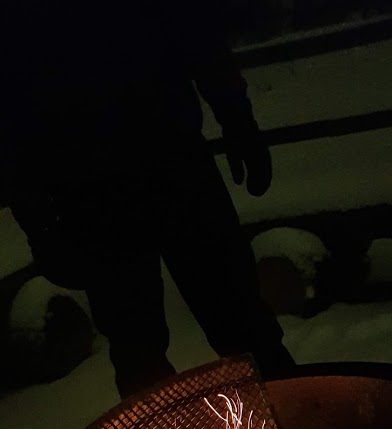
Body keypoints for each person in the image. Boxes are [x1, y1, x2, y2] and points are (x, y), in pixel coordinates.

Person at [2, 0, 295, 398]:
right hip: (94, 190)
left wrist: (235, 113)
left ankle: (294, 413)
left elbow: (192, 26)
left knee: (238, 321)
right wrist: (38, 222)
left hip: (165, 167)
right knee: (140, 350)